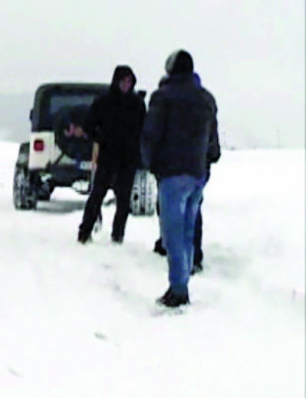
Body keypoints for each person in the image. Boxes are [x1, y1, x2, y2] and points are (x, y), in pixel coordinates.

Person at [141, 50, 220, 308]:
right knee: (188, 229)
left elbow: (151, 135)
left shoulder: (162, 97)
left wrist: (150, 163)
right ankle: (183, 281)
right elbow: (213, 141)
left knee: (172, 233)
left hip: (172, 172)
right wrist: (206, 163)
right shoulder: (206, 99)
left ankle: (178, 289)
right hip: (197, 173)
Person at [76, 65, 147, 244]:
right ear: (116, 81)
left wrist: (140, 152)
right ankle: (85, 231)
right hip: (108, 156)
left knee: (124, 199)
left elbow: (144, 129)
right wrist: (101, 138)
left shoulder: (137, 103)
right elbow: (88, 126)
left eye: (129, 81)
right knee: (97, 195)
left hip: (129, 158)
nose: (126, 85)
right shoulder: (104, 101)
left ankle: (118, 235)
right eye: (123, 81)